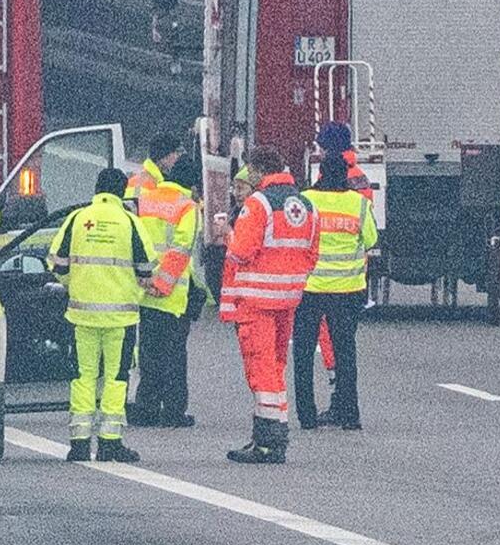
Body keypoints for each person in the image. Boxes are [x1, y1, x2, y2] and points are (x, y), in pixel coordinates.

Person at [217, 146, 317, 464]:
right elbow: (312, 254)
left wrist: (228, 237)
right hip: (289, 298)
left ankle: (268, 440)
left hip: (257, 300)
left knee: (261, 371)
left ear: (259, 171)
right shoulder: (305, 204)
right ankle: (273, 436)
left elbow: (241, 252)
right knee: (275, 368)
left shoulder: (258, 204)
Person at [48, 167, 153, 463]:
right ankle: (110, 442)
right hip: (121, 318)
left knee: (82, 377)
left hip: (81, 316)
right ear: (121, 192)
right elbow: (147, 269)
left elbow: (57, 263)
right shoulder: (130, 222)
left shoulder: (78, 218)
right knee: (116, 378)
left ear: (97, 189)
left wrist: (76, 286)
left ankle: (79, 443)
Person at [295, 153, 378, 431]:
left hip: (310, 289)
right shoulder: (358, 204)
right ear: (346, 176)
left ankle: (306, 416)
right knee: (345, 353)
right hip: (347, 290)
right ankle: (349, 415)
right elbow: (371, 239)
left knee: (304, 353)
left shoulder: (307, 200)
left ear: (320, 173)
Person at [126, 150, 201, 429]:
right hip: (171, 296)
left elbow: (134, 240)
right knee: (174, 356)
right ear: (192, 184)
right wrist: (163, 284)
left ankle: (146, 407)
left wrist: (145, 280)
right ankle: (173, 411)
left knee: (149, 353)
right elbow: (182, 250)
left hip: (144, 291)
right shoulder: (187, 207)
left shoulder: (146, 200)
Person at [128, 131, 185, 201]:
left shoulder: (156, 179)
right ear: (164, 157)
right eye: (176, 153)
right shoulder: (142, 183)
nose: (177, 157)